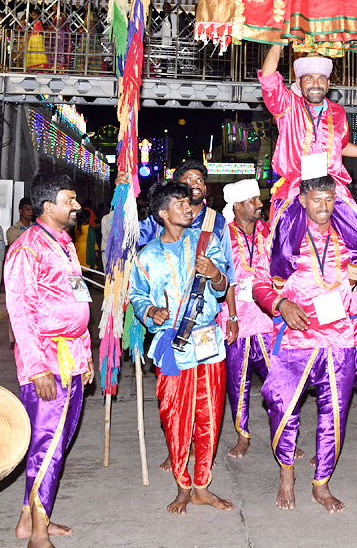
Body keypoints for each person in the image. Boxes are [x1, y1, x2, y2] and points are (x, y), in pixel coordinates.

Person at [252, 167, 357, 514]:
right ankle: (286, 474)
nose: (324, 207)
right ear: (302, 201)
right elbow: (260, 284)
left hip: (339, 340)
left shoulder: (349, 234)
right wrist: (281, 303)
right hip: (297, 338)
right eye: (317, 200)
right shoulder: (285, 237)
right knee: (281, 408)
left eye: (330, 199)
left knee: (335, 415)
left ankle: (321, 483)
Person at [129, 180, 234, 514]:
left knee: (210, 417)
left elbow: (221, 288)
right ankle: (182, 485)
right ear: (163, 213)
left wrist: (215, 272)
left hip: (208, 343)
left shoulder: (207, 242)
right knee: (175, 417)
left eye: (189, 203)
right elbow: (137, 295)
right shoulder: (148, 257)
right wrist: (150, 312)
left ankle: (202, 485)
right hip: (173, 346)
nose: (189, 208)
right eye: (180, 204)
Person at [4, 172, 93, 548]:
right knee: (46, 446)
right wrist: (37, 367)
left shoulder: (63, 243)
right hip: (48, 363)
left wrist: (85, 356)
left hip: (71, 358)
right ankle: (37, 535)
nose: (75, 206)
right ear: (47, 206)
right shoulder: (27, 248)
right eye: (69, 200)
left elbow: (77, 300)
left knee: (60, 442)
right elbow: (21, 313)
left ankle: (30, 519)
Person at [258, 44, 357, 283]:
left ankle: (350, 284)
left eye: (321, 79)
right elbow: (268, 77)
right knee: (283, 251)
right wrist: (277, 41)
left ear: (328, 84)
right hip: (297, 184)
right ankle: (283, 293)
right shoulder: (287, 105)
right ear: (299, 82)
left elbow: (341, 146)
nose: (315, 84)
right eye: (309, 79)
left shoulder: (338, 112)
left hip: (332, 184)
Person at [219, 178, 273, 459]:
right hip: (236, 317)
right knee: (237, 383)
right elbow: (222, 278)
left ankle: (283, 434)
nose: (259, 204)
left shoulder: (268, 231)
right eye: (253, 201)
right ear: (238, 206)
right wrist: (231, 315)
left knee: (278, 380)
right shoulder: (223, 235)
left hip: (266, 319)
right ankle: (243, 436)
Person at [72, 208, 102, 273]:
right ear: (88, 218)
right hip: (87, 250)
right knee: (87, 270)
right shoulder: (89, 228)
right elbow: (93, 241)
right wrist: (96, 251)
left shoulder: (76, 226)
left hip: (77, 248)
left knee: (79, 268)